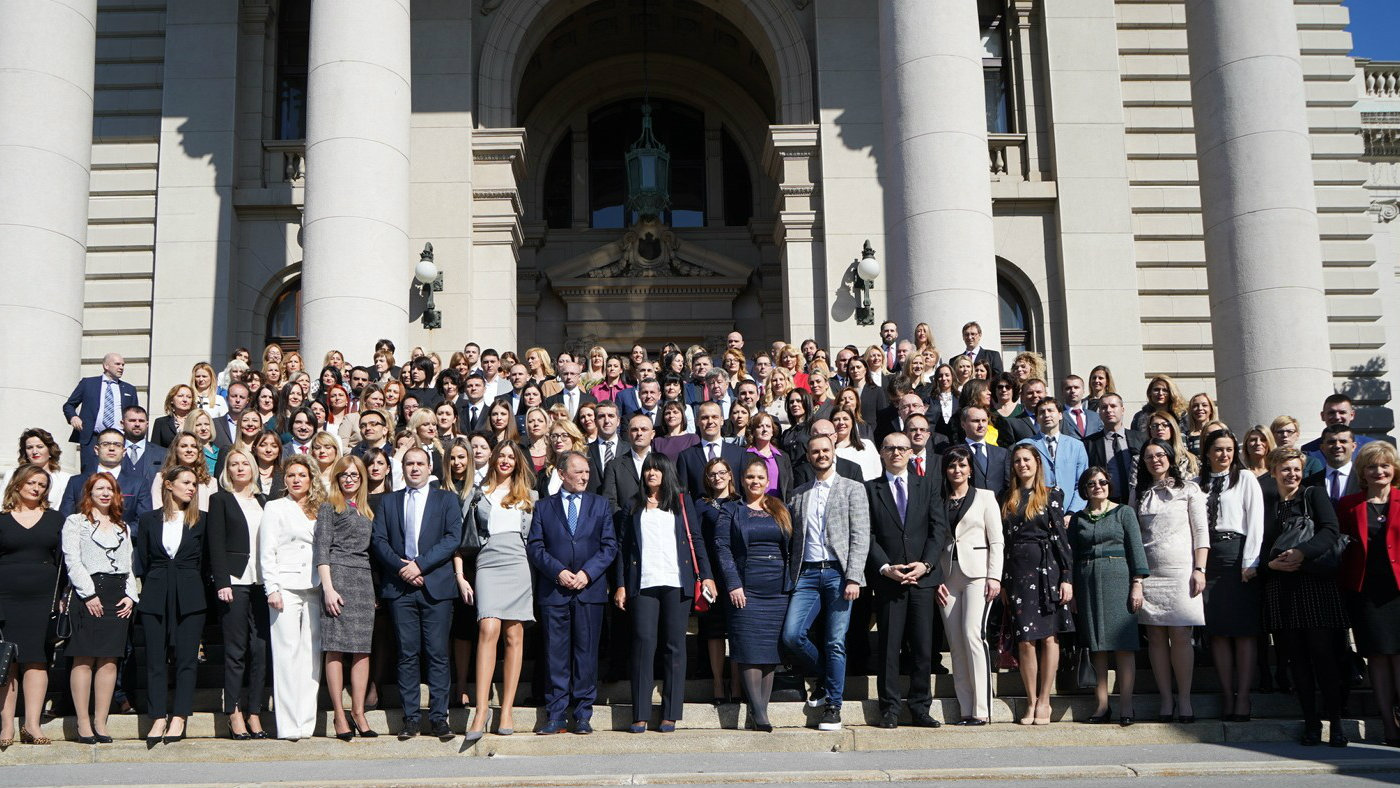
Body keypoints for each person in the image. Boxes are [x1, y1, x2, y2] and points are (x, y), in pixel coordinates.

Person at [612, 454, 715, 733]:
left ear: (666, 472)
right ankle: (640, 713)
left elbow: (696, 539)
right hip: (643, 583)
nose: (651, 473)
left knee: (674, 646)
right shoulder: (633, 505)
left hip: (676, 582)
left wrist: (707, 575)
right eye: (648, 469)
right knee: (643, 644)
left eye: (657, 469)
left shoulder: (681, 502)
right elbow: (622, 548)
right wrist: (620, 584)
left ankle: (670, 713)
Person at [371, 446, 462, 740]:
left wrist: (419, 566)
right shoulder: (389, 501)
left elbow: (452, 539)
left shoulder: (446, 499)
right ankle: (410, 719)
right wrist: (403, 568)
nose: (414, 468)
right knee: (407, 654)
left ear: (429, 467)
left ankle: (439, 718)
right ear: (403, 468)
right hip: (400, 588)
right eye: (409, 463)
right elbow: (379, 540)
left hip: (436, 587)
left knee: (437, 654)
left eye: (420, 463)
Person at [782, 434, 871, 732]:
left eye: (825, 450)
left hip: (838, 574)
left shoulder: (853, 489)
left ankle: (834, 706)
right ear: (808, 456)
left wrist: (853, 577)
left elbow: (860, 536)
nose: (821, 455)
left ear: (834, 452)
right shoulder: (798, 494)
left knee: (835, 641)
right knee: (792, 635)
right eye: (815, 451)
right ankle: (824, 675)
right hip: (806, 575)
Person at [526, 451, 618, 735]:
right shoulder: (544, 507)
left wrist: (587, 573)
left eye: (587, 472)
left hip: (589, 591)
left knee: (586, 654)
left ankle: (582, 714)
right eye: (578, 472)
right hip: (555, 592)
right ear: (562, 474)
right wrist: (558, 571)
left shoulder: (600, 505)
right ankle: (555, 715)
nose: (584, 477)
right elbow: (535, 547)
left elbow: (609, 546)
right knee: (555, 655)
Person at [1262, 446, 1348, 747]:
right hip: (1281, 587)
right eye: (1286, 469)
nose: (1292, 474)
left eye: (1297, 469)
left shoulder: (1313, 495)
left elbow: (1331, 530)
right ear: (1273, 471)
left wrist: (1302, 553)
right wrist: (1269, 565)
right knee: (1296, 659)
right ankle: (1311, 723)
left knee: (1324, 656)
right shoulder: (1267, 503)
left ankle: (1336, 723)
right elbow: (1259, 544)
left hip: (1314, 586)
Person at [865, 431, 946, 729]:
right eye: (890, 448)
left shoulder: (927, 485)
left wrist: (926, 565)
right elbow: (867, 534)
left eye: (902, 448)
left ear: (911, 453)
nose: (896, 453)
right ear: (881, 453)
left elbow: (939, 529)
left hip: (922, 579)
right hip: (889, 580)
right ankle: (889, 709)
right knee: (889, 648)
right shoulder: (870, 489)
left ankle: (921, 707)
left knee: (923, 648)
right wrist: (885, 567)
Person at [462, 441, 537, 742]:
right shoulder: (477, 494)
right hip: (488, 561)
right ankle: (481, 710)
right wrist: (459, 574)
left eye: (511, 457)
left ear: (518, 463)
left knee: (514, 635)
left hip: (518, 562)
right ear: (493, 460)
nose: (506, 460)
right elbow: (464, 537)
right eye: (501, 456)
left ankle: (506, 709)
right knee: (488, 628)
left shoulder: (530, 496)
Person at [714, 456, 793, 732]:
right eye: (750, 477)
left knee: (769, 651)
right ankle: (760, 715)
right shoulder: (731, 510)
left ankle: (760, 710)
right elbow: (722, 547)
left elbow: (791, 546)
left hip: (777, 590)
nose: (755, 481)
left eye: (760, 477)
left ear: (768, 481)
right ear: (742, 480)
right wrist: (733, 584)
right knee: (749, 648)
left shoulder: (780, 508)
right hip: (746, 588)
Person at [61, 472, 139, 744]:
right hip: (88, 594)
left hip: (117, 596)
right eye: (100, 488)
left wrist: (131, 596)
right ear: (89, 493)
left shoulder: (122, 526)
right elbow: (72, 560)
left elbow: (129, 564)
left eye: (110, 489)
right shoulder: (76, 522)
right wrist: (89, 593)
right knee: (83, 658)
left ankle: (101, 722)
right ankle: (83, 722)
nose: (105, 493)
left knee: (109, 660)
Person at [1135, 439, 1209, 724]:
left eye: (1160, 455)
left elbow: (1201, 532)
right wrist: (1137, 577)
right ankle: (1166, 699)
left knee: (1180, 635)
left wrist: (1199, 568)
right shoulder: (1139, 493)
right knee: (1155, 637)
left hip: (1181, 571)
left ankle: (1185, 699)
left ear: (1169, 457)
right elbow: (1134, 535)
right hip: (1149, 572)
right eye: (1149, 456)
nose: (1155, 460)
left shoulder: (1189, 489)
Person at [1069, 467, 1148, 726]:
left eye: (1102, 482)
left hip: (1119, 579)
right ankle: (1102, 705)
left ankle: (1126, 705)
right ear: (1085, 489)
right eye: (1092, 483)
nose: (1098, 487)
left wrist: (1137, 583)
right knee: (1096, 646)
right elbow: (1071, 557)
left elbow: (1136, 548)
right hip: (1087, 582)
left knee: (1124, 645)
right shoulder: (1078, 519)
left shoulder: (1124, 512)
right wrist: (1072, 590)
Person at [1001, 444, 1073, 725]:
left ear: (1037, 463)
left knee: (1049, 637)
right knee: (1025, 639)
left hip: (1047, 571)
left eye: (1027, 460)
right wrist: (1003, 580)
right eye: (1017, 460)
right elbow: (1003, 541)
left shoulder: (1051, 494)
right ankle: (1030, 701)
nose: (1022, 464)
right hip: (1017, 572)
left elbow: (1061, 538)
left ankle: (1045, 701)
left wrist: (1066, 577)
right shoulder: (1006, 497)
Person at [135, 466, 208, 744]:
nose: (191, 488)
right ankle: (157, 716)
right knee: (155, 659)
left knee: (187, 659)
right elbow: (144, 559)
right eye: (186, 482)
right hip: (155, 593)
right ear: (168, 484)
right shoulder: (148, 520)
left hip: (190, 594)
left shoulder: (201, 519)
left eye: (194, 484)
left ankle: (179, 715)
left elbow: (205, 562)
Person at [1197, 429, 1265, 723]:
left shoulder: (1245, 478)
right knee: (1218, 631)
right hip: (1208, 557)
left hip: (1237, 555)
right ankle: (1227, 694)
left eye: (1228, 449)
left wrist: (1250, 561)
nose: (1224, 454)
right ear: (1207, 452)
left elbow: (1256, 520)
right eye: (1218, 449)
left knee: (1243, 631)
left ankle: (1244, 695)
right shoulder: (1197, 483)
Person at [932, 446, 1003, 726]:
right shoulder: (939, 499)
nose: (957, 470)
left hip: (978, 574)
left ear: (970, 469)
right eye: (952, 466)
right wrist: (935, 579)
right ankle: (965, 709)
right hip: (948, 577)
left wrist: (994, 576)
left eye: (962, 465)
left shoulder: (985, 497)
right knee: (956, 642)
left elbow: (996, 540)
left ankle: (982, 709)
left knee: (973, 634)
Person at [1338, 442, 1400, 746]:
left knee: (1399, 658)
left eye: (1385, 465)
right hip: (1366, 595)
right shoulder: (1349, 505)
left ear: (1394, 469)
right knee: (1377, 658)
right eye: (1372, 466)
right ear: (1362, 472)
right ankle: (1389, 726)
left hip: (1398, 593)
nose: (1379, 471)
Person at [206, 450, 270, 740]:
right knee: (236, 650)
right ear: (227, 470)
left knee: (260, 649)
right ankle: (233, 711)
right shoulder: (220, 499)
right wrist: (222, 581)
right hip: (234, 581)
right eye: (234, 464)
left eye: (245, 463)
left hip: (262, 582)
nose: (240, 468)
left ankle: (254, 712)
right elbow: (215, 543)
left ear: (253, 468)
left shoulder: (264, 501)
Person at [260, 455, 324, 741]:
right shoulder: (275, 507)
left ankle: (306, 722)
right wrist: (271, 588)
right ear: (284, 480)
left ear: (311, 479)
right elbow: (267, 550)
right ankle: (287, 725)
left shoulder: (320, 507)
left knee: (311, 656)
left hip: (316, 586)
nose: (296, 479)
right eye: (291, 475)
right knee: (286, 654)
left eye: (302, 475)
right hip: (285, 586)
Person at [315, 456, 378, 740]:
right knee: (336, 648)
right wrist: (328, 588)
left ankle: (359, 712)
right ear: (337, 478)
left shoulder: (367, 509)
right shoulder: (329, 506)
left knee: (362, 650)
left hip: (363, 580)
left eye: (354, 475)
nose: (349, 479)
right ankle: (339, 714)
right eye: (344, 475)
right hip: (337, 577)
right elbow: (321, 549)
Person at [0, 466, 63, 746]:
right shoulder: (2, 520)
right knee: (8, 661)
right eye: (31, 483)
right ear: (17, 484)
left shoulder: (55, 518)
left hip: (43, 598)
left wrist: (61, 597)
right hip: (6, 597)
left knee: (37, 660)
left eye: (42, 484)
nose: (36, 488)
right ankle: (6, 727)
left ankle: (32, 725)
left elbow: (63, 561)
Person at [694, 458, 742, 705]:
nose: (717, 477)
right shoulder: (700, 505)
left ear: (730, 474)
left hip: (736, 576)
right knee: (714, 631)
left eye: (722, 472)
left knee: (736, 629)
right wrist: (706, 576)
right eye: (712, 474)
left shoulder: (741, 502)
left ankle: (736, 683)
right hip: (711, 576)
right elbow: (697, 541)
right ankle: (717, 682)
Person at [63, 353, 141, 472]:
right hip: (92, 438)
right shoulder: (88, 383)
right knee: (90, 474)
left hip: (119, 439)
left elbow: (135, 413)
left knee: (119, 474)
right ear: (106, 366)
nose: (121, 367)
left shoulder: (129, 389)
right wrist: (73, 417)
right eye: (117, 364)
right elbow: (69, 405)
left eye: (123, 365)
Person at [1022, 399, 1090, 512]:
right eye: (1042, 412)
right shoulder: (1026, 446)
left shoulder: (1076, 446)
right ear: (1037, 418)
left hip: (1070, 513)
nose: (1046, 415)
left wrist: (1072, 512)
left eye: (1050, 410)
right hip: (1036, 511)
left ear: (1060, 415)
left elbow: (1082, 483)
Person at [677, 401, 747, 495]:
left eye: (714, 417)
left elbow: (744, 490)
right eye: (705, 418)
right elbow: (683, 494)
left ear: (722, 420)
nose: (710, 421)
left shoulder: (739, 453)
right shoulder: (686, 457)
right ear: (697, 421)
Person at [1085, 394, 1145, 505]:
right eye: (1104, 407)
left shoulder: (1141, 438)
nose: (1108, 410)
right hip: (1106, 504)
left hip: (1137, 501)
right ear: (1099, 412)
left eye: (1113, 406)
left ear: (1122, 410)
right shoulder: (1089, 443)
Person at [2, 428, 72, 510]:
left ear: (50, 450)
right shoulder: (11, 475)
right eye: (29, 447)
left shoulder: (65, 479)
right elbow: (2, 503)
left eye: (40, 447)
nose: (34, 451)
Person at [959, 406, 1010, 496]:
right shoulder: (956, 452)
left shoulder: (1002, 453)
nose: (981, 425)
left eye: (984, 421)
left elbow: (1008, 483)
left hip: (997, 503)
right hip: (969, 502)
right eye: (976, 421)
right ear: (963, 425)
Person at [1307, 424, 1361, 502]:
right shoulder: (1309, 483)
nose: (1337, 446)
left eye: (1343, 441)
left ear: (1353, 447)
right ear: (1322, 448)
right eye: (1331, 442)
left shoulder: (1365, 479)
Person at [1060, 375, 1104, 441]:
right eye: (1068, 388)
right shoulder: (1058, 416)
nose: (1073, 391)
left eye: (1076, 387)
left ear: (1083, 391)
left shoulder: (1096, 417)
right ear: (1062, 392)